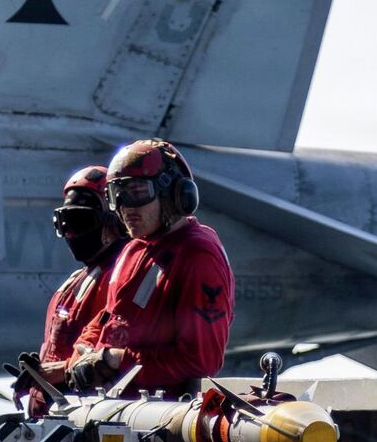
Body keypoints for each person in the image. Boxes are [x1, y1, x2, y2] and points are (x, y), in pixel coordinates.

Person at [69, 139, 235, 398]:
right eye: (116, 195)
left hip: (160, 420)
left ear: (174, 194)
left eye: (137, 191)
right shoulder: (134, 249)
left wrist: (117, 360)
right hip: (117, 408)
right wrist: (85, 349)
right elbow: (107, 318)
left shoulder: (198, 254)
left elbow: (202, 360)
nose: (126, 207)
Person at [24, 165, 129, 415]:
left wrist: (58, 371)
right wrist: (34, 377)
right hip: (51, 421)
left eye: (80, 222)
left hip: (87, 418)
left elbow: (119, 355)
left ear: (114, 223)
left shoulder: (124, 280)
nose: (71, 233)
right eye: (65, 223)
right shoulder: (73, 285)